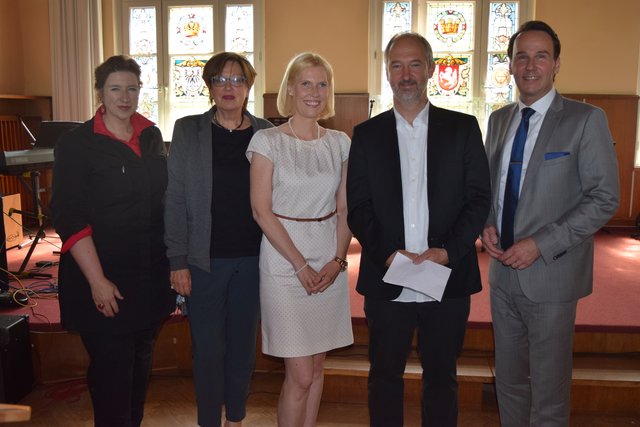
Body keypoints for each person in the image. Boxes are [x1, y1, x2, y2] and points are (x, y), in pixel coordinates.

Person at [346, 32, 491, 427]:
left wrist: (448, 250)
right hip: (386, 275)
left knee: (442, 377)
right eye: (396, 65)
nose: (405, 74)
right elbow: (358, 209)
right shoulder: (366, 135)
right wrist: (388, 253)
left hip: (446, 276)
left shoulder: (462, 128)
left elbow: (478, 199)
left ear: (430, 69)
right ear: (387, 73)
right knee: (384, 377)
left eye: (414, 64)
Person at [481, 21, 620, 426]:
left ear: (557, 64)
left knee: (549, 386)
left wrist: (541, 243)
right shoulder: (499, 120)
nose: (530, 65)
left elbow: (604, 197)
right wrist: (487, 224)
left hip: (552, 274)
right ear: (509, 64)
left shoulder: (585, 120)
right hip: (503, 275)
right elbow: (492, 187)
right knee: (508, 380)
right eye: (521, 56)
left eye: (541, 56)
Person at [51, 55, 175, 427]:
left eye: (132, 88)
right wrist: (98, 281)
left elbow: (163, 201)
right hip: (101, 277)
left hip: (149, 277)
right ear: (100, 93)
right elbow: (69, 216)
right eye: (116, 88)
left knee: (139, 370)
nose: (125, 97)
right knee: (111, 377)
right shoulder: (77, 144)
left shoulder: (151, 134)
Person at [164, 52, 273, 427]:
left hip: (254, 259)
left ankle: (237, 417)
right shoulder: (187, 130)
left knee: (243, 349)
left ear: (249, 86)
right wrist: (177, 261)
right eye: (220, 80)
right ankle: (209, 420)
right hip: (202, 261)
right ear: (209, 86)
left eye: (237, 80)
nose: (229, 88)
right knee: (208, 349)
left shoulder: (267, 133)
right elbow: (175, 198)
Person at [247, 52, 354, 427]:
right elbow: (261, 210)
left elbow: (346, 210)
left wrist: (339, 261)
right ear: (290, 89)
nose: (314, 92)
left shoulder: (340, 142)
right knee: (301, 374)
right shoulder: (268, 141)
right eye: (306, 83)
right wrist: (300, 263)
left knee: (319, 366)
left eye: (322, 84)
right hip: (284, 262)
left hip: (329, 258)